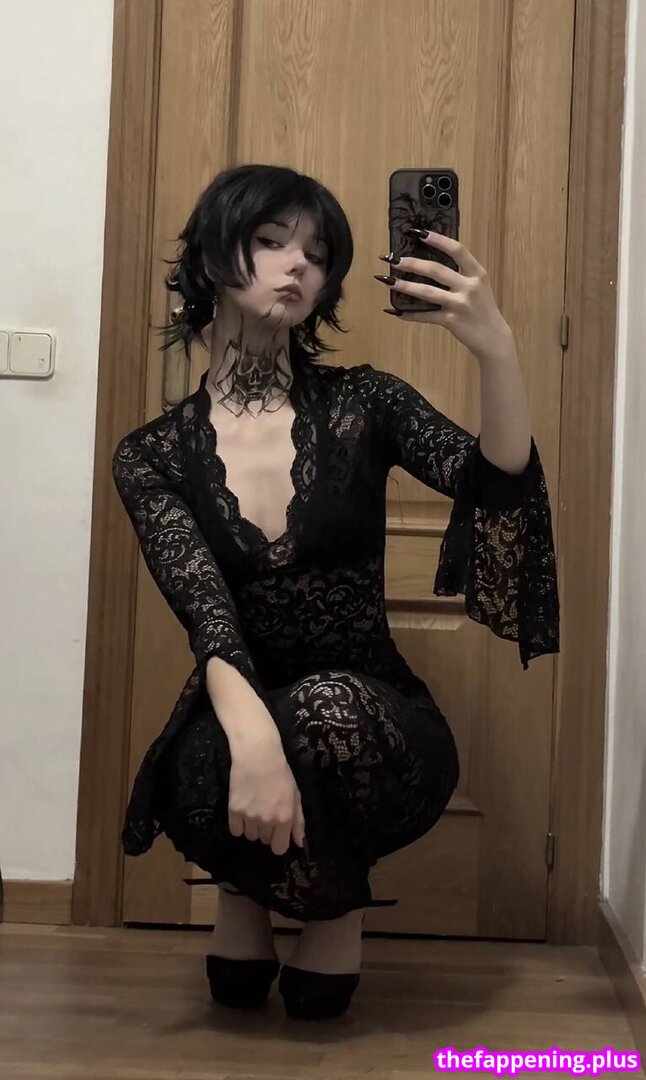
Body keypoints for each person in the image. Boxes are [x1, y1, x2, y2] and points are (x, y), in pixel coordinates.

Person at [112, 163, 560, 1020]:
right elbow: (209, 618)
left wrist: (495, 345)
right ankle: (242, 891)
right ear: (211, 259)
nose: (297, 265)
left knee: (328, 713)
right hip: (234, 705)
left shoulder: (366, 402)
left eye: (317, 254)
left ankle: (331, 909)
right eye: (270, 241)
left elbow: (493, 478)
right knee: (224, 756)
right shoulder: (151, 455)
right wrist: (254, 741)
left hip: (372, 718)